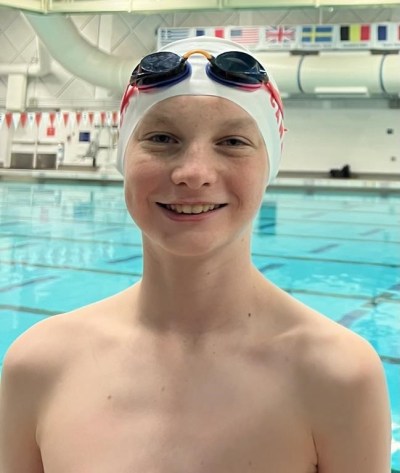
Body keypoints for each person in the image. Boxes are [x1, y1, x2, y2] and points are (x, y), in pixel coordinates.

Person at [0, 36, 391, 473]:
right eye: (163, 137)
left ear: (271, 163)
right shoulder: (39, 365)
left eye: (233, 142)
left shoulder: (337, 376)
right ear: (124, 155)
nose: (193, 174)